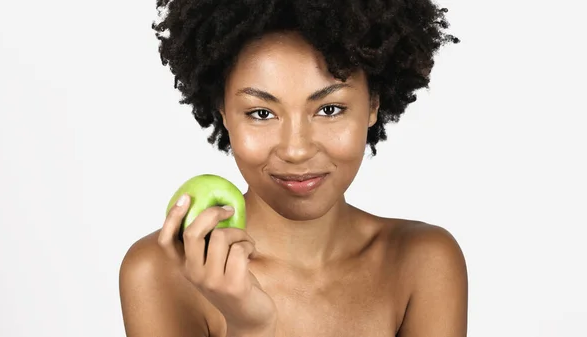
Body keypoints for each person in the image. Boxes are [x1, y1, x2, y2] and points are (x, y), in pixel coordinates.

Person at [119, 0, 467, 336]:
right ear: (223, 110)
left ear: (373, 103)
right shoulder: (161, 271)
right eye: (262, 113)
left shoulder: (424, 264)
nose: (296, 150)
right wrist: (249, 327)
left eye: (329, 109)